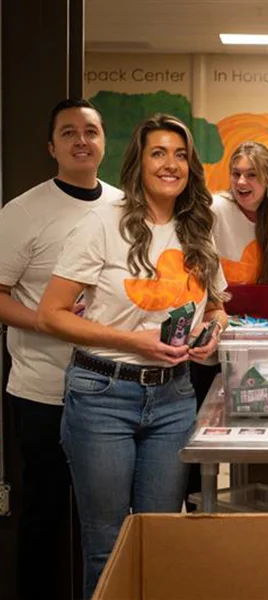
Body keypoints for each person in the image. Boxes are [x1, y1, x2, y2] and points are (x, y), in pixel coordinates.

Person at [37, 114, 228, 598]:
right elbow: (51, 315)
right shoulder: (102, 223)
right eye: (158, 153)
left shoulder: (199, 227)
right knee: (108, 545)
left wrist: (214, 329)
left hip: (174, 398)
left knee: (160, 537)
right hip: (103, 394)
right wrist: (133, 341)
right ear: (138, 163)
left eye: (180, 154)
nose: (171, 164)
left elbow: (220, 303)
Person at [0, 98, 122, 599]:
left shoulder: (123, 205)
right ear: (52, 146)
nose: (81, 141)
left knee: (107, 521)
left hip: (111, 393)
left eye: (90, 131)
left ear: (103, 142)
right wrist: (50, 324)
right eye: (68, 133)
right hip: (44, 392)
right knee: (45, 512)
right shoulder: (24, 211)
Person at [184, 141, 268, 506]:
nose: (242, 182)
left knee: (243, 435)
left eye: (251, 175)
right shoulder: (216, 208)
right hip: (209, 342)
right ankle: (196, 507)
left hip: (243, 347)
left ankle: (243, 505)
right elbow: (204, 271)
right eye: (236, 173)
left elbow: (263, 288)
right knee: (197, 435)